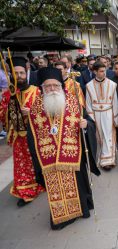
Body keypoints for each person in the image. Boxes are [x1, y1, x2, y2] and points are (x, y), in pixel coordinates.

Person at [27, 67, 100, 230]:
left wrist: (86, 125)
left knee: (79, 185)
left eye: (55, 85)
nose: (52, 89)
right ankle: (61, 217)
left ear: (61, 86)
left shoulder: (74, 102)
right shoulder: (35, 110)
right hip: (50, 160)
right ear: (42, 88)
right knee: (56, 189)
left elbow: (89, 122)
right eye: (48, 86)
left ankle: (81, 209)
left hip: (73, 156)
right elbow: (31, 137)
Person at [0, 57, 45, 206]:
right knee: (22, 165)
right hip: (19, 138)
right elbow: (2, 114)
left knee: (37, 162)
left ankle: (40, 183)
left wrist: (31, 111)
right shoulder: (7, 94)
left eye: (21, 73)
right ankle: (26, 191)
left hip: (36, 135)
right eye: (16, 73)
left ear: (26, 73)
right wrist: (11, 110)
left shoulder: (36, 91)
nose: (19, 76)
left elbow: (45, 113)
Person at [86, 61, 118, 170]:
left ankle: (109, 160)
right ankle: (102, 157)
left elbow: (115, 102)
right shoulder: (89, 86)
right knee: (100, 136)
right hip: (96, 115)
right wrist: (91, 119)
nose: (104, 73)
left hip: (108, 113)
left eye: (105, 71)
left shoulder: (112, 85)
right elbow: (88, 103)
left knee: (109, 135)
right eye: (101, 71)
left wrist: (116, 117)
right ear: (95, 71)